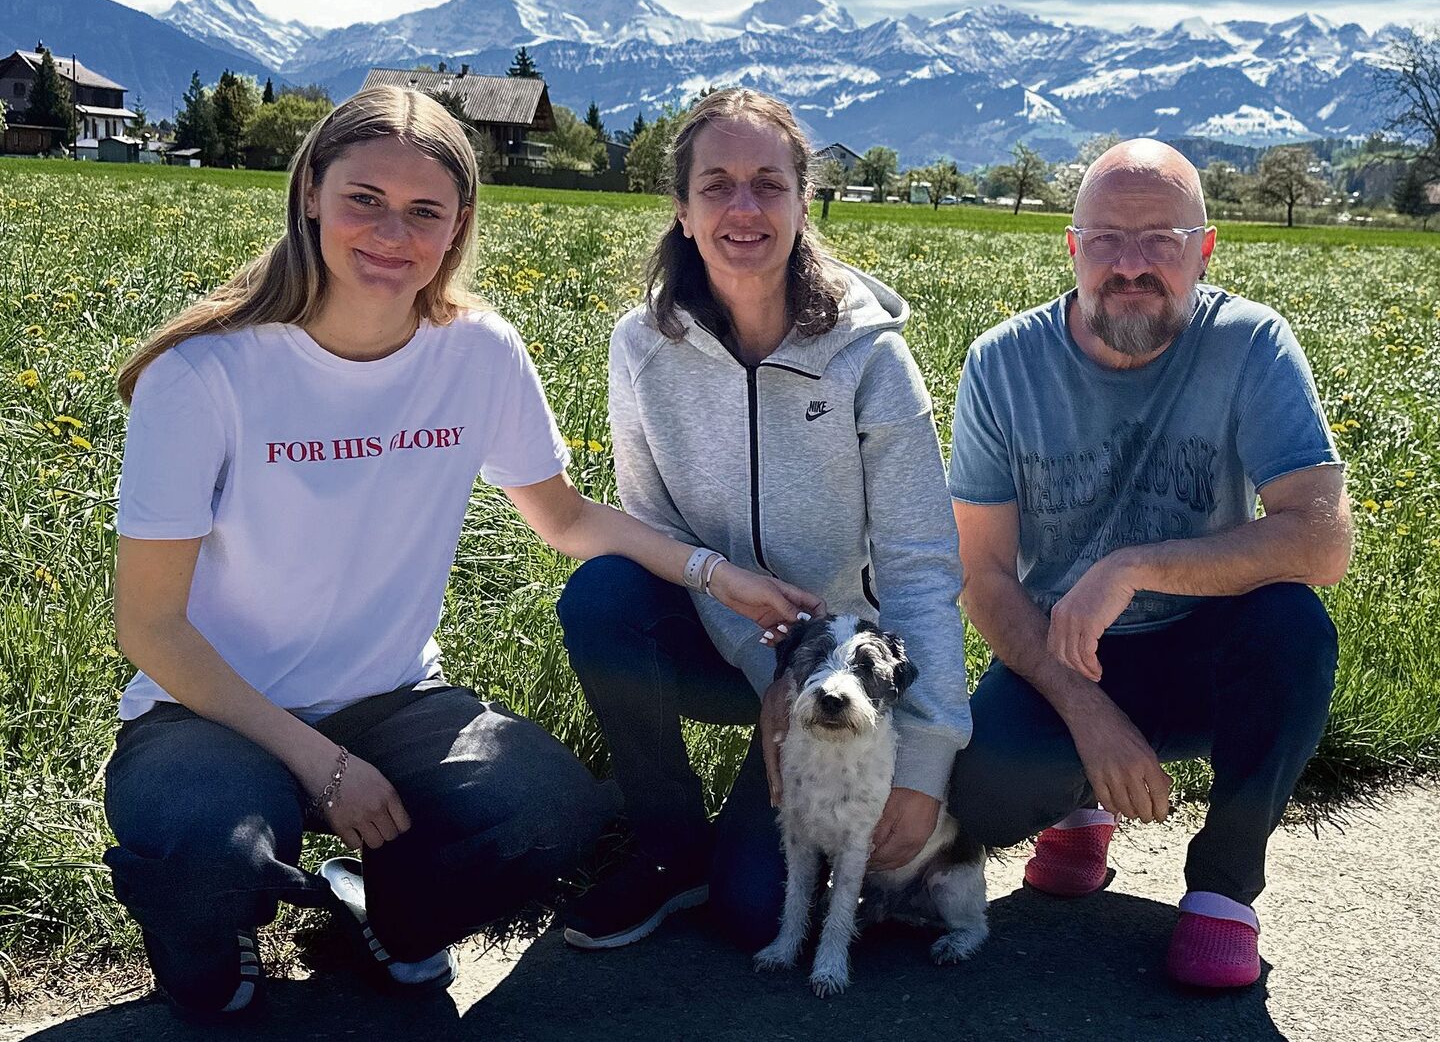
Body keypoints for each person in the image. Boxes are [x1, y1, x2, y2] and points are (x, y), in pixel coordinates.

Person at [103, 85, 815, 1020]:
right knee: (209, 871)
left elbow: (565, 518)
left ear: (459, 223)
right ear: (312, 191)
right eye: (364, 199)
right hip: (208, 713)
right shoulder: (204, 372)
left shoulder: (476, 352)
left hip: (393, 701)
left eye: (423, 211)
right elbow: (150, 625)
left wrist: (715, 574)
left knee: (548, 809)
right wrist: (323, 765)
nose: (391, 233)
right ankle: (210, 923)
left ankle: (383, 918)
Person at [556, 88, 971, 953]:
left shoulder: (870, 355)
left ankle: (760, 852)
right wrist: (764, 667)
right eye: (716, 185)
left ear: (802, 200)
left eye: (768, 184)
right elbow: (656, 531)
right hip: (719, 635)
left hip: (838, 662)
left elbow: (921, 563)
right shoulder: (640, 346)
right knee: (603, 594)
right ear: (681, 208)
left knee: (752, 912)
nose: (743, 208)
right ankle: (669, 847)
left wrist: (924, 761)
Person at [946, 138, 1351, 988]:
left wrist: (1131, 565)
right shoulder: (1001, 363)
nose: (1131, 265)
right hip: (1068, 654)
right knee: (983, 795)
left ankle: (1224, 890)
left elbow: (1322, 538)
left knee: (1294, 629)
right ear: (1072, 248)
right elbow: (982, 577)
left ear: (1205, 249)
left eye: (1161, 238)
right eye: (1107, 240)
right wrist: (1088, 713)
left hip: (1210, 648)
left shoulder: (1251, 342)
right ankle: (1080, 804)